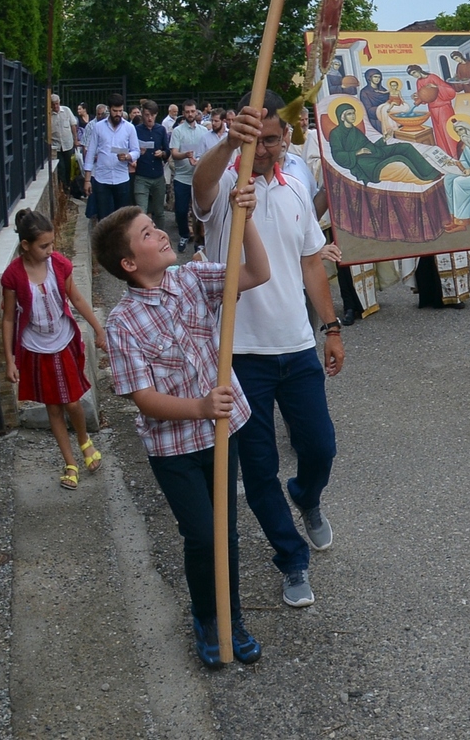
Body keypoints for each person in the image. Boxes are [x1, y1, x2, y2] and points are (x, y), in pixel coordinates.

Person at [95, 198, 270, 667]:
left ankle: (230, 616)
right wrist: (199, 406)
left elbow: (256, 272)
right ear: (130, 263)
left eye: (156, 226)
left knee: (226, 534)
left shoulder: (191, 279)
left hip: (220, 437)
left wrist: (245, 220)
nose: (161, 233)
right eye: (149, 233)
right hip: (172, 449)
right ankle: (207, 619)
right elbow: (143, 397)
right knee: (201, 536)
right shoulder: (123, 323)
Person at [193, 97, 342, 608]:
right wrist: (232, 142)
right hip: (239, 355)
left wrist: (333, 327)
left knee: (320, 447)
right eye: (256, 140)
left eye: (272, 139)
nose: (264, 150)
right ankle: (291, 559)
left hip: (297, 346)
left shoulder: (296, 186)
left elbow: (310, 266)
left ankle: (307, 495)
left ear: (284, 141)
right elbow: (199, 186)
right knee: (257, 469)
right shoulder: (227, 194)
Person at [0, 208, 109, 490]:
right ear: (25, 246)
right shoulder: (12, 276)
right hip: (35, 349)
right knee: (53, 408)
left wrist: (98, 329)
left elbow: (77, 299)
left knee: (72, 401)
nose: (51, 250)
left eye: (52, 244)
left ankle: (84, 440)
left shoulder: (59, 265)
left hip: (62, 341)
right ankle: (70, 461)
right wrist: (10, 360)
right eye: (44, 246)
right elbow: (9, 317)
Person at [326, 102, 440, 184]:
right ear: (342, 116)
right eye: (349, 114)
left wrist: (383, 139)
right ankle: (423, 177)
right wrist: (357, 152)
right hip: (362, 161)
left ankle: (431, 172)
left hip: (375, 152)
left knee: (406, 146)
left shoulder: (355, 130)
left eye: (353, 113)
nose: (353, 116)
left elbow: (370, 145)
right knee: (399, 157)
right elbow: (337, 155)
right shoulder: (336, 134)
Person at [83, 94, 138, 221]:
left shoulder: (129, 128)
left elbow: (136, 150)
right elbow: (90, 153)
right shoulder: (98, 127)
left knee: (122, 218)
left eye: (120, 111)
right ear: (109, 109)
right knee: (104, 217)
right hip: (102, 179)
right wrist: (87, 180)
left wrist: (128, 156)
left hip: (122, 177)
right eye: (115, 111)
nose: (118, 114)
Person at [169, 100, 215, 252]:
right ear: (183, 113)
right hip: (182, 177)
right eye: (187, 112)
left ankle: (199, 240)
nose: (190, 114)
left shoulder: (203, 131)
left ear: (196, 112)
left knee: (200, 211)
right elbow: (174, 153)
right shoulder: (178, 131)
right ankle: (184, 234)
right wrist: (185, 155)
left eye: (192, 111)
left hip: (199, 177)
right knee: (181, 210)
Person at [406, 63, 460, 156]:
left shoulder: (432, 77)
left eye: (414, 72)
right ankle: (446, 154)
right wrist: (416, 96)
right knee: (439, 133)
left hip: (444, 108)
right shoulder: (419, 82)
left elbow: (450, 91)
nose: (414, 75)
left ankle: (456, 153)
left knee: (448, 131)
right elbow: (424, 97)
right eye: (412, 74)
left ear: (418, 70)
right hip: (433, 109)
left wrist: (436, 87)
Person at [133, 99, 170, 229]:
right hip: (142, 175)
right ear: (142, 115)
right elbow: (130, 151)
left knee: (159, 212)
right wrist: (138, 152)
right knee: (141, 211)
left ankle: (161, 236)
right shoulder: (136, 130)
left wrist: (163, 153)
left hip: (158, 175)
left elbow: (167, 150)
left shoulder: (160, 129)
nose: (149, 118)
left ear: (156, 115)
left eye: (152, 115)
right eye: (147, 115)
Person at [50, 94, 79, 196]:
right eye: (53, 105)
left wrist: (75, 140)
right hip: (56, 146)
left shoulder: (66, 110)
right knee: (60, 168)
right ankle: (63, 187)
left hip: (68, 144)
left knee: (69, 167)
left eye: (57, 104)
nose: (56, 106)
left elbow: (73, 125)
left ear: (59, 102)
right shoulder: (49, 115)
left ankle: (69, 186)